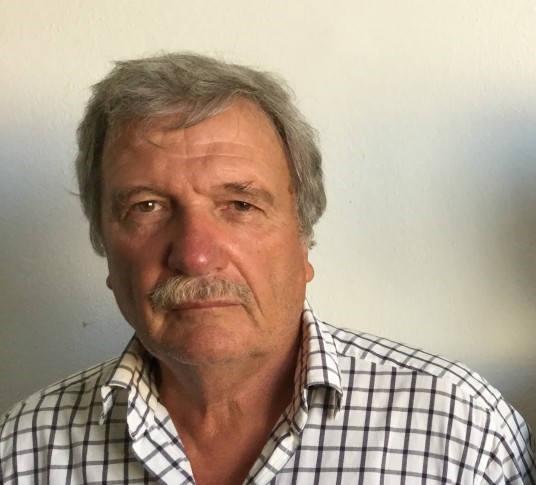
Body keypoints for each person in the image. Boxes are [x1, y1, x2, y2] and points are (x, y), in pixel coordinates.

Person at [0, 53, 534, 485]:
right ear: (105, 247)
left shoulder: (462, 434)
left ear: (303, 240)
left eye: (240, 205)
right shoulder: (23, 451)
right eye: (147, 207)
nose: (195, 255)